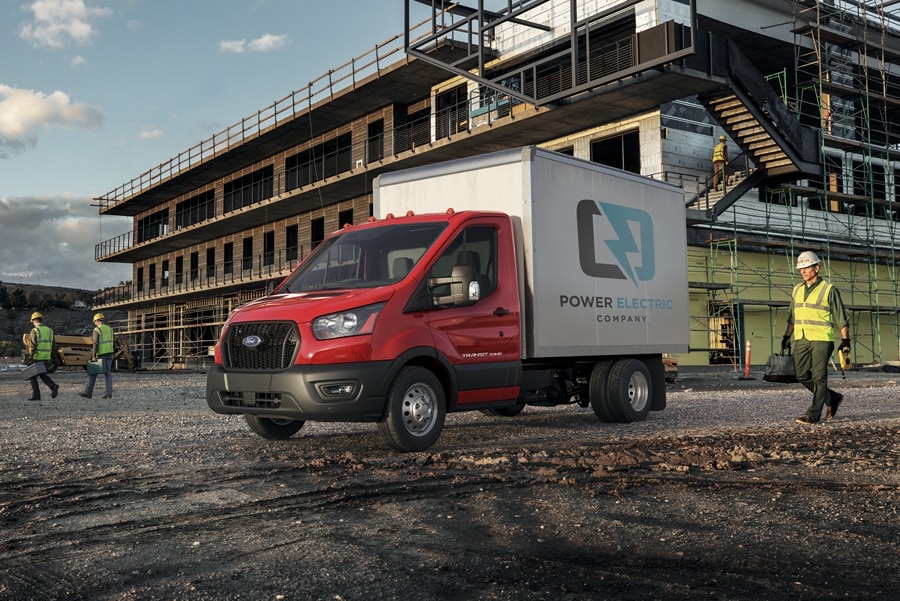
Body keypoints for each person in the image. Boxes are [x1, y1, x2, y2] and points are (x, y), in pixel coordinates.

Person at [781, 251, 850, 424]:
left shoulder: (829, 289)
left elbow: (841, 317)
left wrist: (845, 341)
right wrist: (786, 336)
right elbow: (793, 317)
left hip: (821, 339)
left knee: (819, 376)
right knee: (801, 374)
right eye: (801, 268)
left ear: (816, 268)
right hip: (801, 338)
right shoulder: (797, 290)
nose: (803, 271)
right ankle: (832, 398)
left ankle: (813, 413)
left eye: (806, 267)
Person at [80, 313, 115, 400]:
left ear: (97, 320)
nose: (94, 323)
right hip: (110, 353)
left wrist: (93, 355)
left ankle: (88, 392)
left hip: (101, 353)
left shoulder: (97, 329)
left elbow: (95, 343)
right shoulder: (110, 329)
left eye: (94, 321)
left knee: (93, 373)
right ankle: (108, 394)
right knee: (108, 374)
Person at [26, 311, 60, 401]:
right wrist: (54, 358)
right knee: (42, 374)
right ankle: (53, 386)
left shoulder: (35, 330)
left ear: (34, 321)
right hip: (47, 357)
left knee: (32, 376)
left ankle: (36, 396)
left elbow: (32, 346)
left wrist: (30, 358)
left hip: (37, 357)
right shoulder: (50, 330)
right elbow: (53, 346)